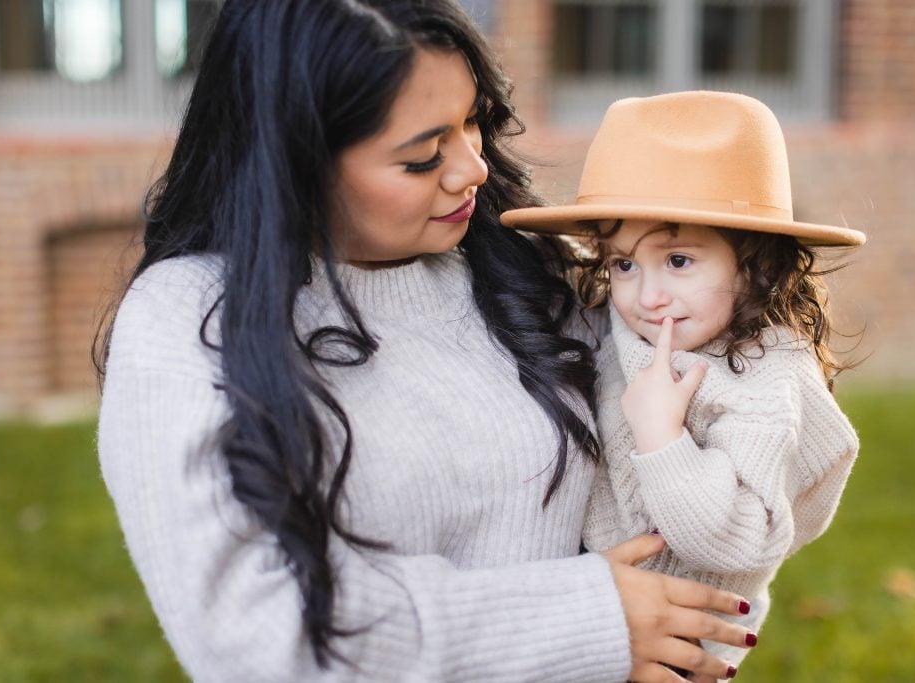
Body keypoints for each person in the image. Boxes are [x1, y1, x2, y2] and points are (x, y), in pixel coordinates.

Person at [96, 4, 759, 682]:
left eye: (474, 121)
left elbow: (739, 450)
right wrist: (588, 621)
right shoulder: (188, 319)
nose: (472, 167)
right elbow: (262, 639)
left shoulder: (529, 270)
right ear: (296, 161)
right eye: (422, 157)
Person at [501, 90, 865, 672]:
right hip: (590, 617)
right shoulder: (625, 324)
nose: (646, 297)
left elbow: (738, 541)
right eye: (623, 263)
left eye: (678, 261)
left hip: (682, 642)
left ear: (758, 265)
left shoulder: (768, 383)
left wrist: (663, 437)